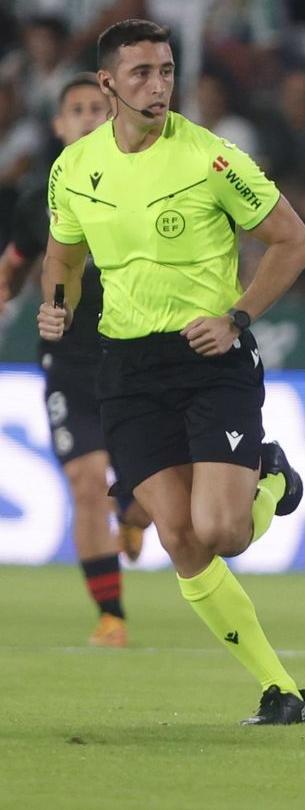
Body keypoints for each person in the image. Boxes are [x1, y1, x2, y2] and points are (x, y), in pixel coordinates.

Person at [35, 20, 305, 726]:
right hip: (126, 368)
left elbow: (293, 241)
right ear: (107, 84)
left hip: (208, 358)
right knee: (179, 538)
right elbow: (63, 255)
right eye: (141, 73)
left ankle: (271, 474)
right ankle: (279, 690)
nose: (158, 85)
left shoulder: (211, 159)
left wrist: (238, 318)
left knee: (221, 531)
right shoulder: (74, 169)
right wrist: (55, 305)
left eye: (165, 71)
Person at [0, 73, 151, 647]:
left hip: (138, 356)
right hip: (68, 361)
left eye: (97, 107)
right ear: (60, 126)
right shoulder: (41, 194)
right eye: (77, 110)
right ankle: (111, 615)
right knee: (87, 484)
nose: (88, 116)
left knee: (152, 491)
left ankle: (136, 514)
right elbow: (16, 254)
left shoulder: (147, 178)